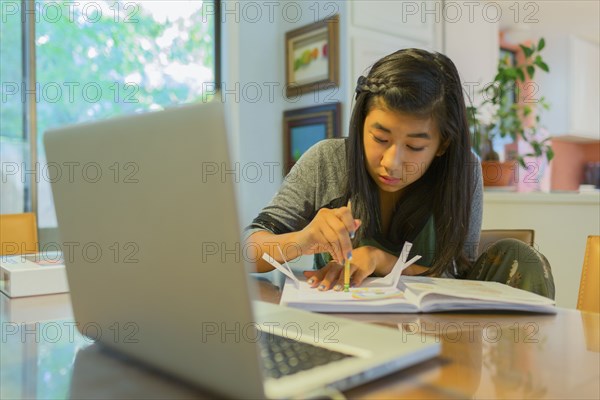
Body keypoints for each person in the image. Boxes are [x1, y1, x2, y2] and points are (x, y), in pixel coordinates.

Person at [245, 48, 555, 299]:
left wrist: (381, 260)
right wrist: (302, 240)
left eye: (415, 146)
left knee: (522, 257)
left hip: (436, 341)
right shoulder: (327, 160)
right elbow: (246, 250)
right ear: (361, 123)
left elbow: (457, 277)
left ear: (442, 144)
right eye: (380, 139)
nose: (392, 163)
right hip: (345, 336)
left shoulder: (462, 172)